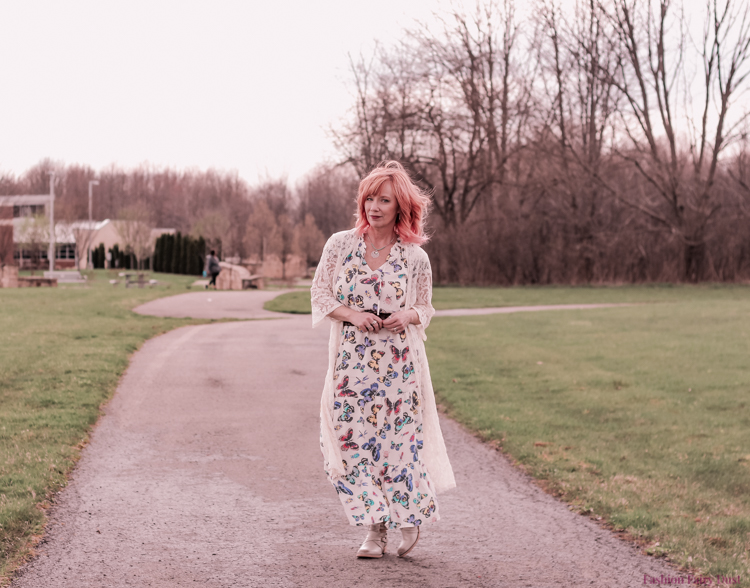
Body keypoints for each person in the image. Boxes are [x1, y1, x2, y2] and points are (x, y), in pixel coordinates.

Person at [310, 161, 455, 559]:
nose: (374, 206)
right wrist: (354, 315)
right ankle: (374, 526)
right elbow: (321, 296)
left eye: (384, 199)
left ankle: (407, 518)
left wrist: (408, 315)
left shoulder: (414, 258)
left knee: (398, 445)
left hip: (399, 365)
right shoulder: (340, 245)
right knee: (349, 442)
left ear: (399, 207)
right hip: (352, 364)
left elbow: (425, 308)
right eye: (369, 198)